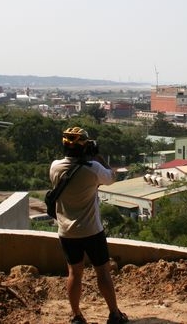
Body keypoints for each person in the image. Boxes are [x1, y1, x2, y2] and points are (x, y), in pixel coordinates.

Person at [49, 126, 129, 324]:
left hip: (67, 232)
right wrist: (97, 155)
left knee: (74, 273)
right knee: (102, 271)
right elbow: (111, 177)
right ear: (85, 148)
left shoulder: (55, 167)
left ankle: (76, 316)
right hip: (92, 231)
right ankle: (114, 314)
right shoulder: (93, 169)